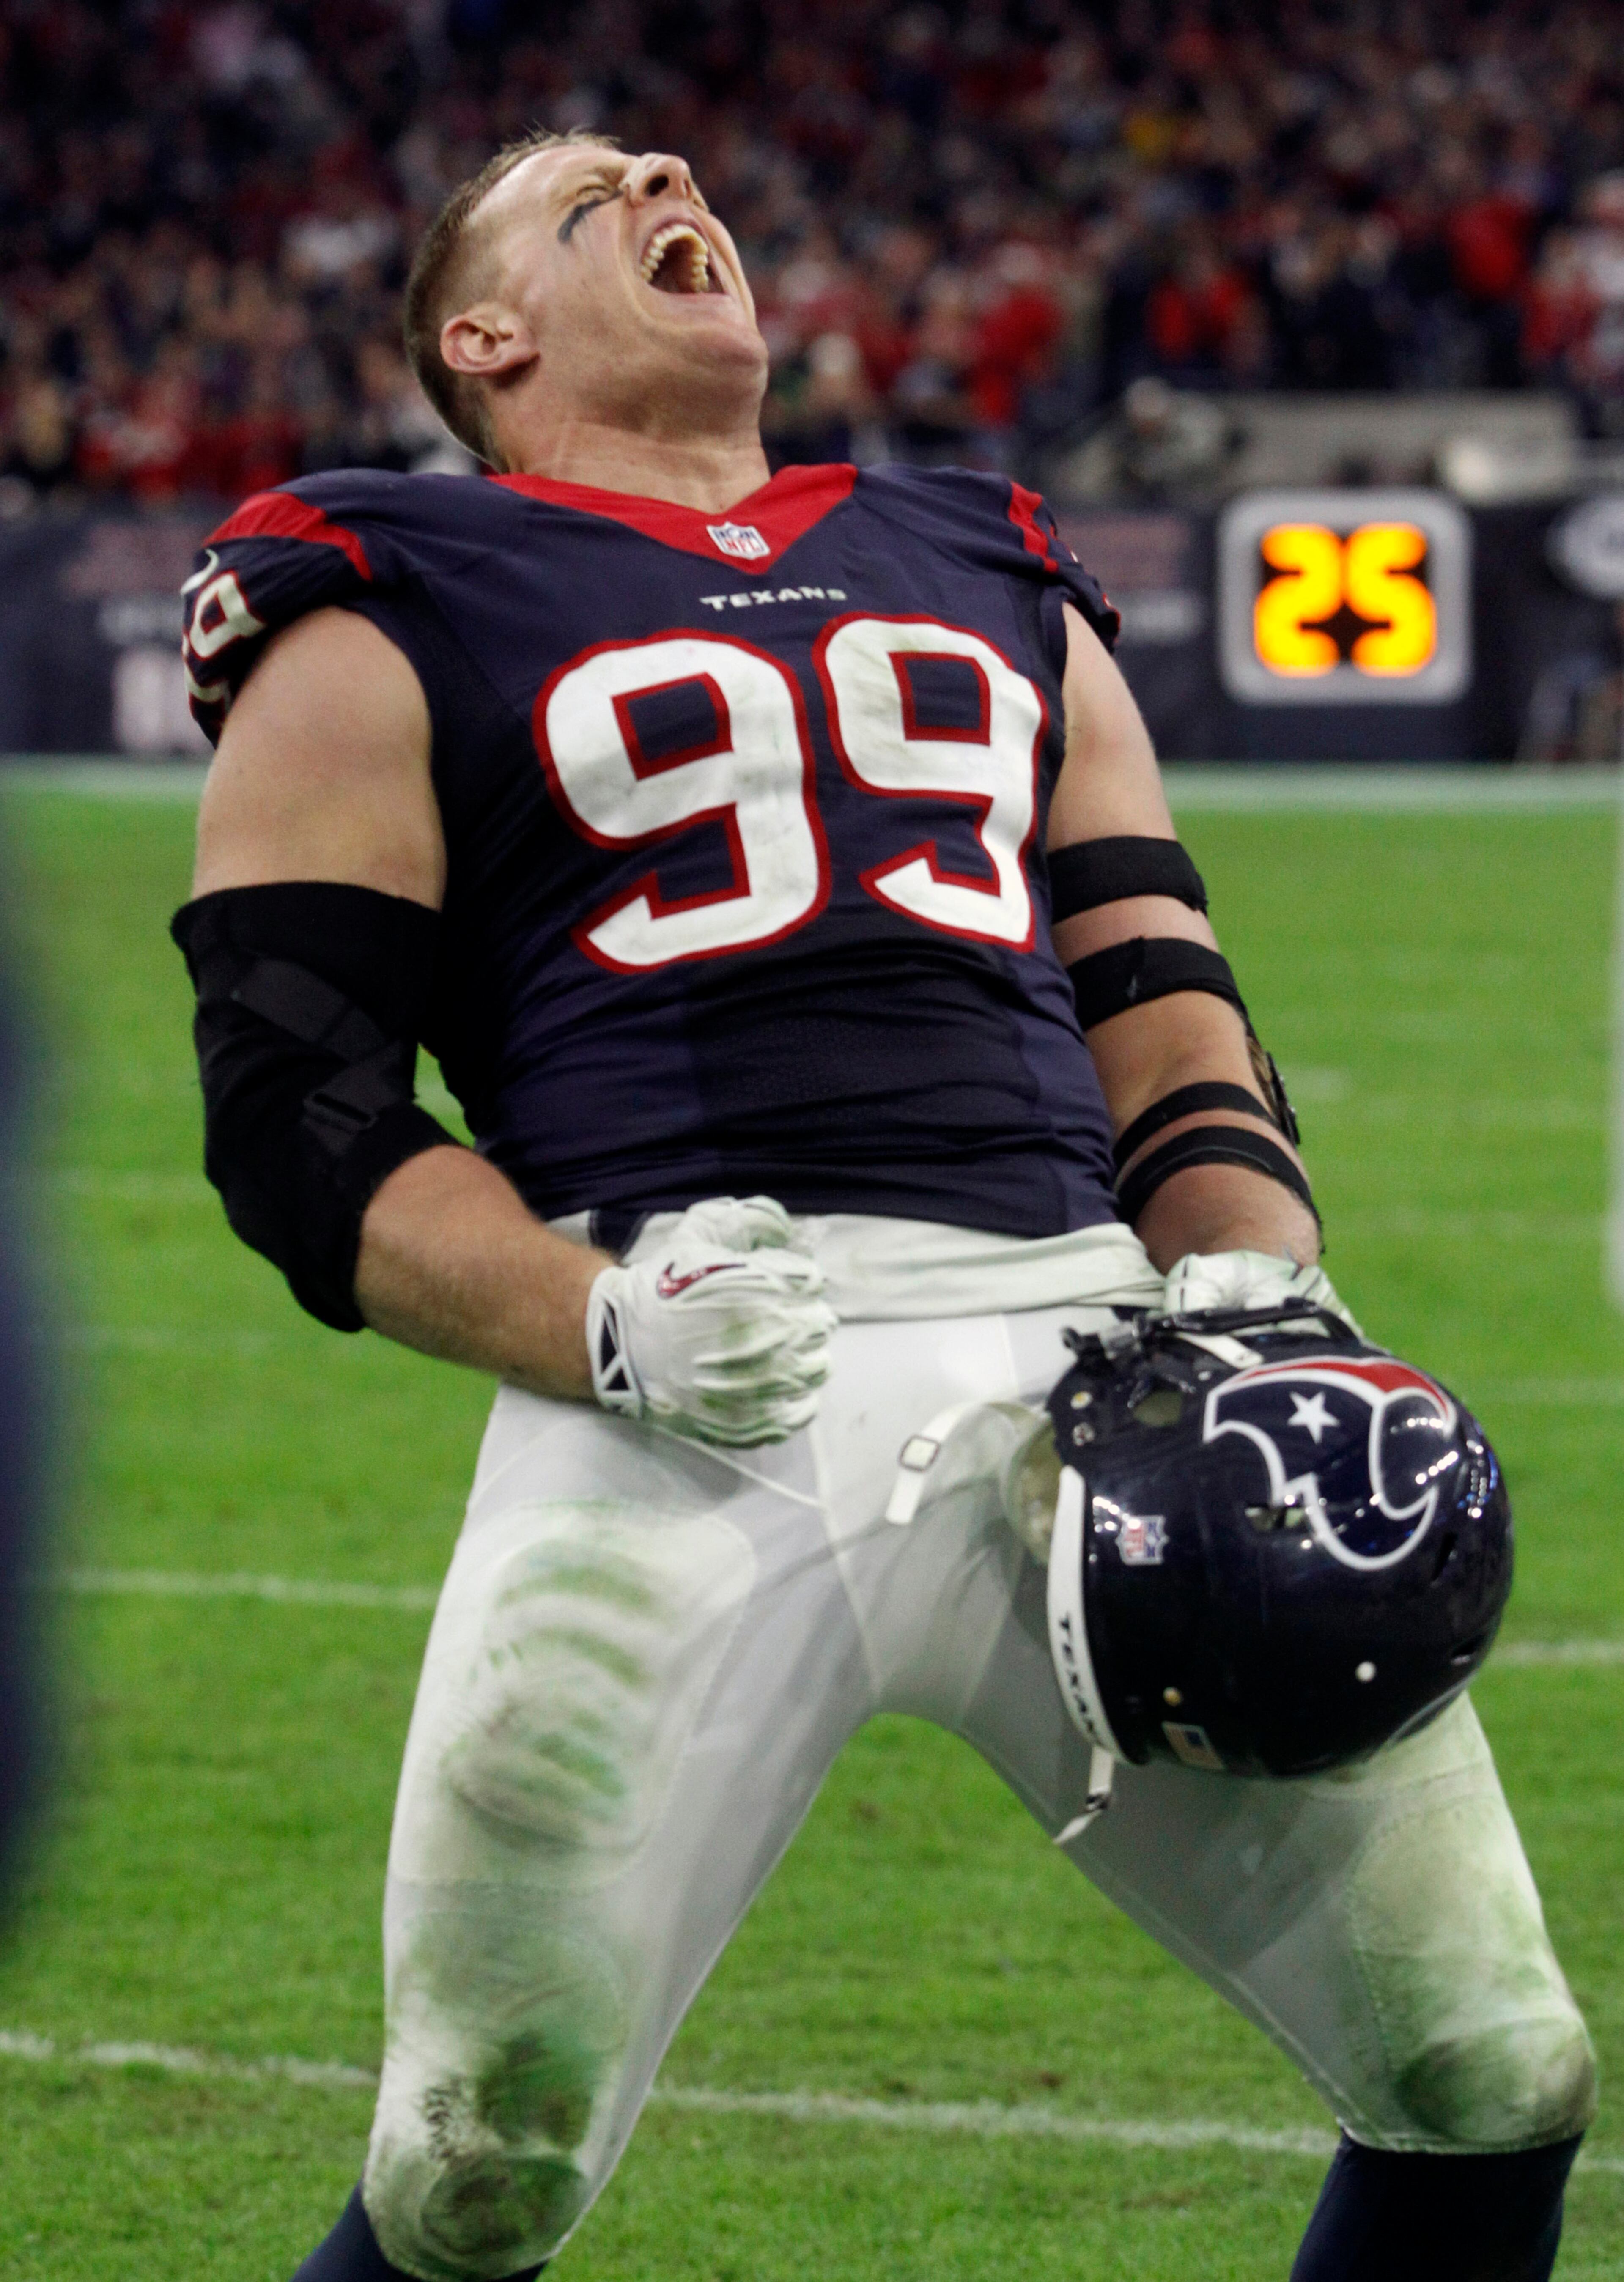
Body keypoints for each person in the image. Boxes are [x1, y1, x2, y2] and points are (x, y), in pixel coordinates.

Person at [170, 129, 1594, 2282]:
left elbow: (1150, 967)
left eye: (668, 167)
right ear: (484, 336)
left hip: (1099, 1368)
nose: (667, 171)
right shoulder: (383, 586)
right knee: (480, 2163)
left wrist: (1259, 1273)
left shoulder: (984, 548)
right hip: (689, 1382)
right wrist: (599, 1323)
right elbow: (298, 1115)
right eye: (585, 196)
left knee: (1492, 2062)